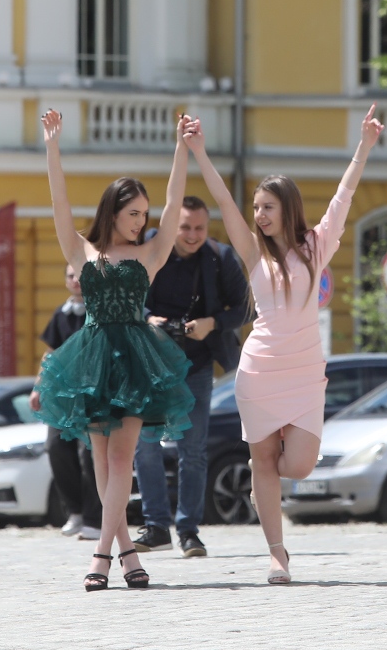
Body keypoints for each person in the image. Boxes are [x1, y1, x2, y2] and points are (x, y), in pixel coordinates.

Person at [183, 105, 383, 585]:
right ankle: (277, 554)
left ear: (287, 208)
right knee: (263, 461)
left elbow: (344, 196)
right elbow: (223, 203)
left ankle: (265, 492)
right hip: (259, 371)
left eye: (267, 207)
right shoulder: (251, 251)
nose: (258, 214)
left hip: (304, 373)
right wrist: (199, 152)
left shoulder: (317, 246)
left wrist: (364, 146)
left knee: (299, 463)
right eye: (256, 208)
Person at [34, 109, 196, 592]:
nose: (142, 221)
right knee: (103, 466)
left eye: (144, 215)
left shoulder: (150, 252)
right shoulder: (82, 250)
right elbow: (59, 202)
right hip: (92, 359)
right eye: (133, 214)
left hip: (135, 361)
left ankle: (101, 555)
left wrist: (181, 147)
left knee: (121, 461)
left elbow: (172, 201)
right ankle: (129, 554)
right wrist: (53, 146)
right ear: (112, 212)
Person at [132, 195, 251, 558]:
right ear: (171, 225)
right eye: (184, 227)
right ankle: (155, 526)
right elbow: (124, 294)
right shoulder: (148, 247)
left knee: (193, 450)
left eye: (199, 228)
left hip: (197, 364)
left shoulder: (220, 257)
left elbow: (246, 307)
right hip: (151, 363)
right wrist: (147, 317)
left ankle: (188, 531)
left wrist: (211, 324)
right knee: (146, 444)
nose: (192, 234)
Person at [30, 265, 103, 542]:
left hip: (93, 393)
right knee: (55, 447)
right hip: (63, 394)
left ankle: (95, 519)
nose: (76, 281)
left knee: (90, 455)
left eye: (81, 276)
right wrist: (38, 386)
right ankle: (75, 511)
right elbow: (50, 354)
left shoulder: (100, 311)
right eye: (71, 276)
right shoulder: (61, 314)